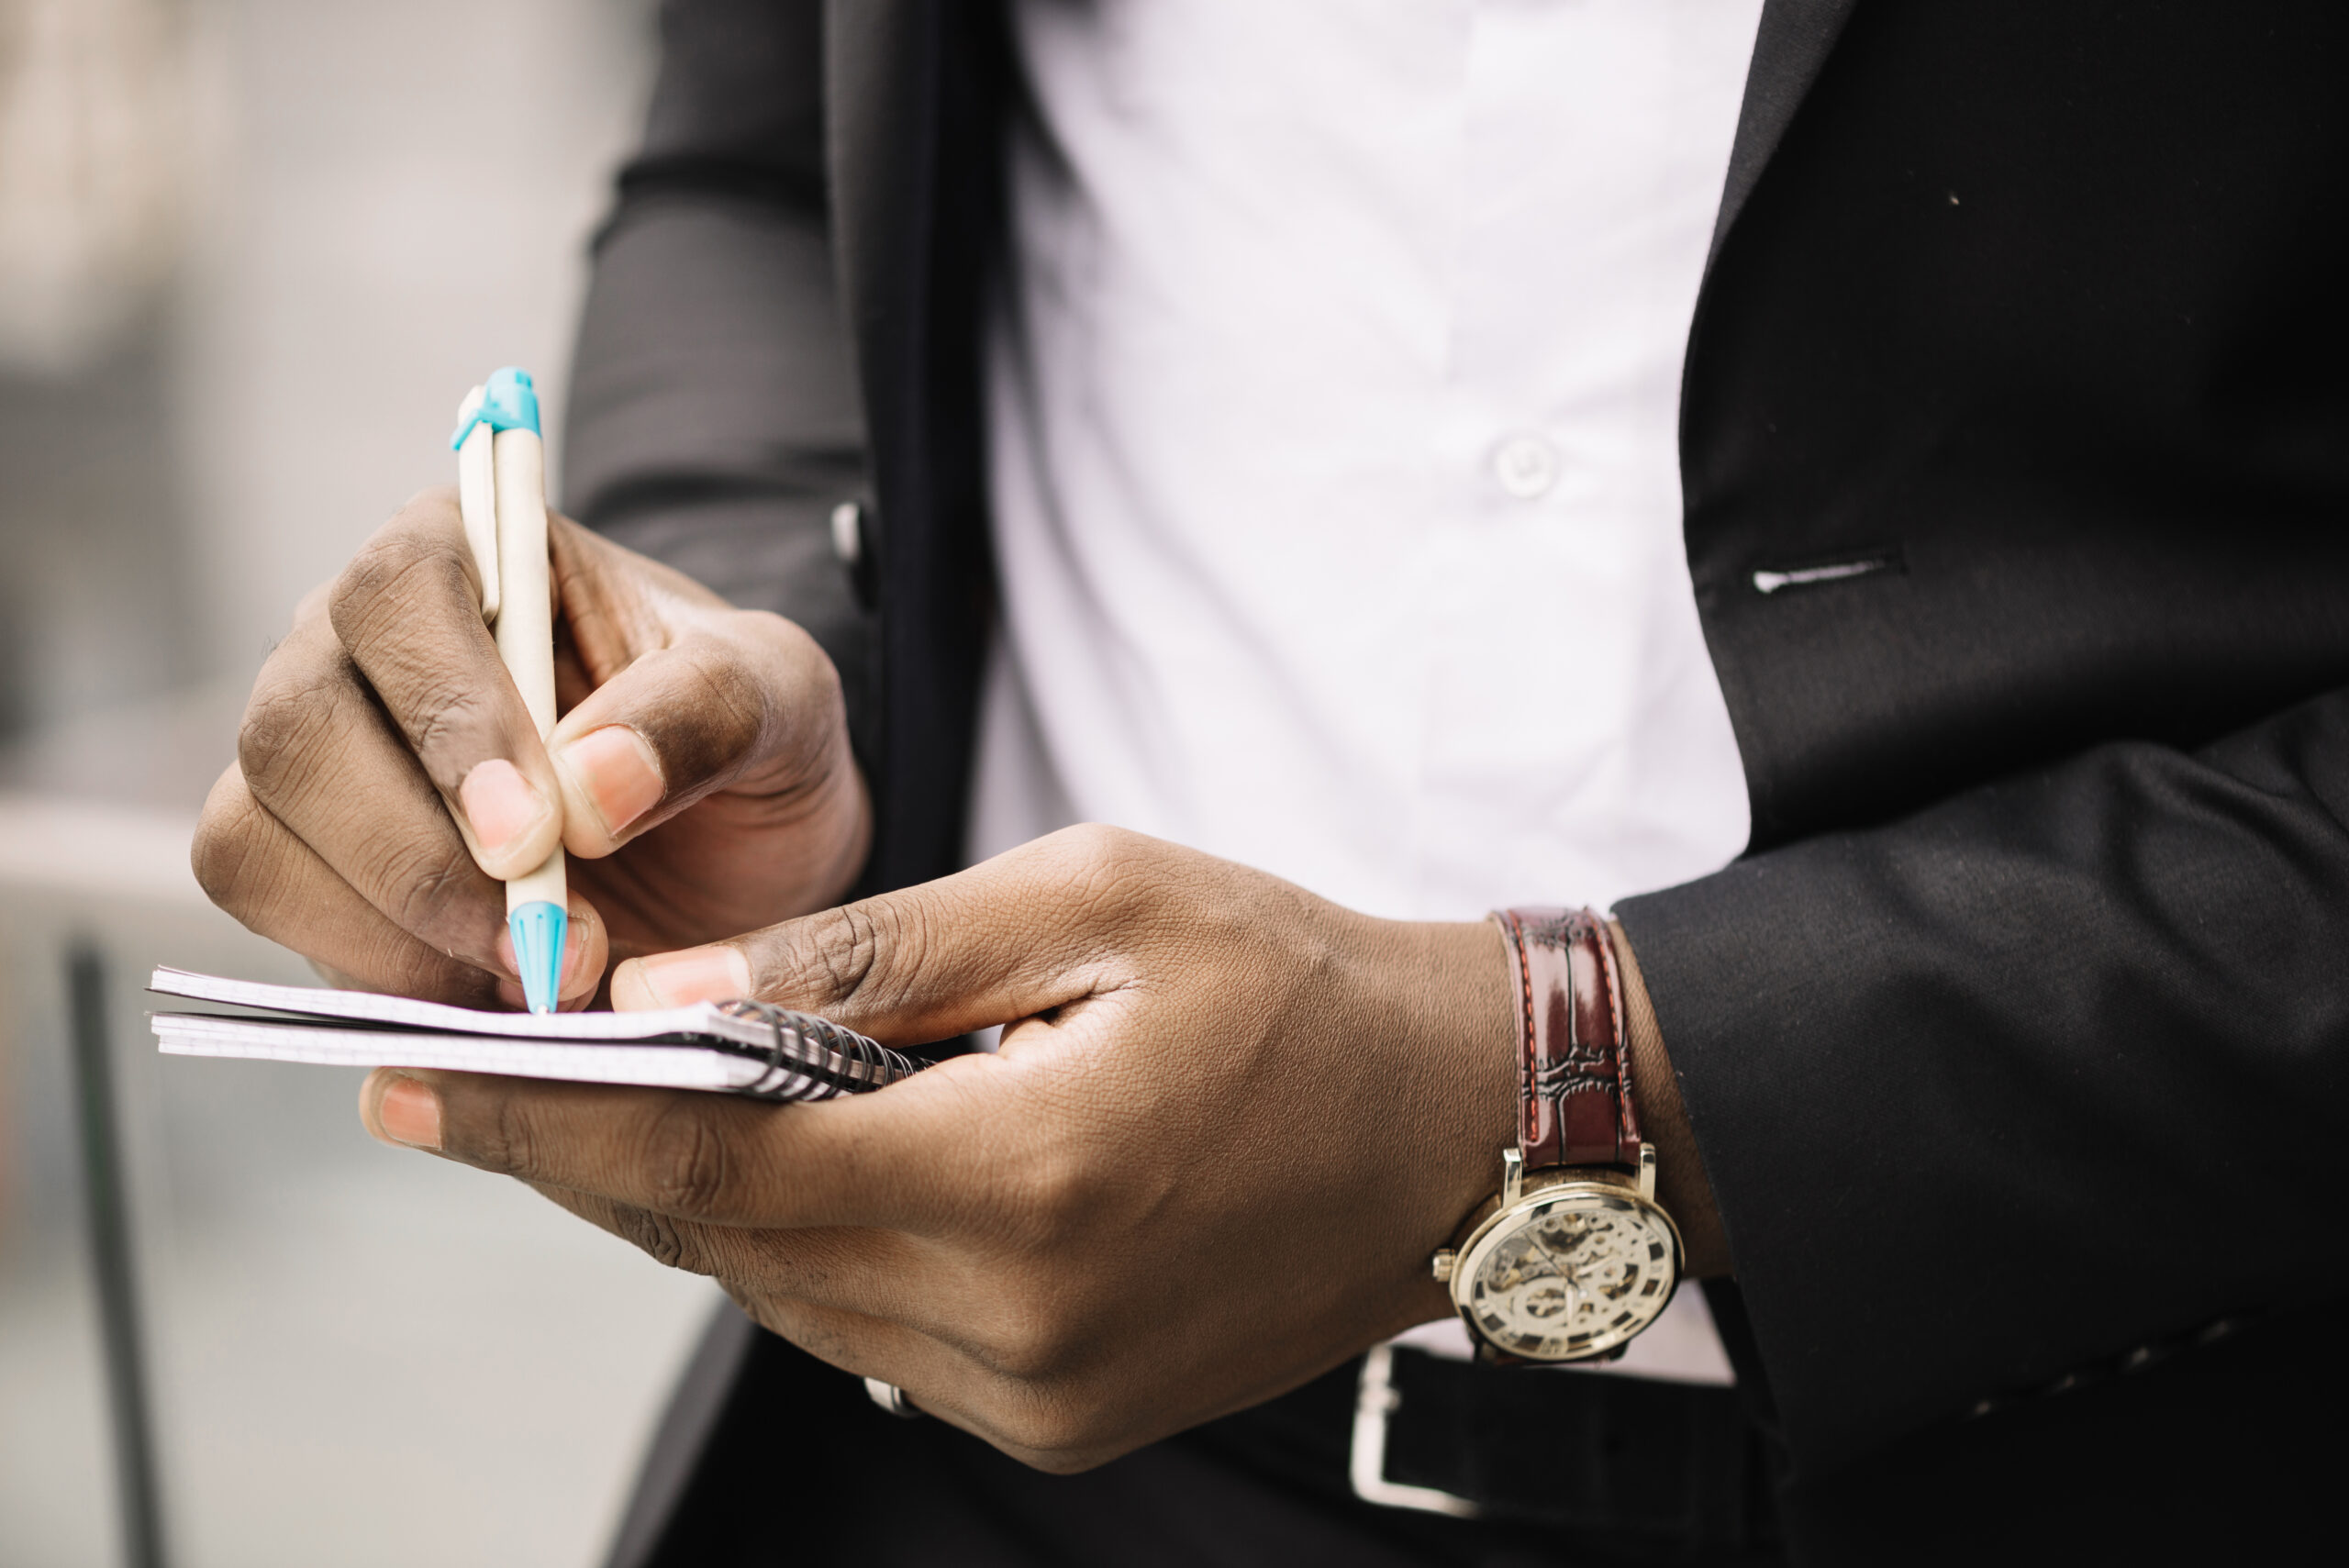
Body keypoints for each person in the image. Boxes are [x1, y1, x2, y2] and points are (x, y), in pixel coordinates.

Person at [192, 1, 2349, 1562]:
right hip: (968, 1476)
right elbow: (756, 156)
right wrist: (734, 664)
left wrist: (1591, 1082)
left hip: (2142, 1434)